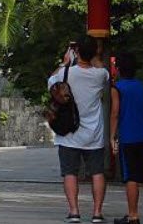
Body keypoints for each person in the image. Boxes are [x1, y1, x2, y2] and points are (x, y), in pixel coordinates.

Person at [47, 36, 110, 223]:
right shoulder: (100, 75)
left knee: (70, 172)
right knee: (97, 173)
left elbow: (51, 82)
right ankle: (97, 213)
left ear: (77, 52)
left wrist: (64, 62)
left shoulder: (66, 73)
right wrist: (95, 55)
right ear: (93, 53)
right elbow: (101, 68)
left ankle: (74, 212)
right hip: (94, 134)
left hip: (69, 133)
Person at [111, 53, 143, 224]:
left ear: (119, 69)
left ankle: (133, 215)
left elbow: (115, 114)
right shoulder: (141, 86)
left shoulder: (117, 88)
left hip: (128, 137)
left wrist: (112, 136)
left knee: (131, 177)